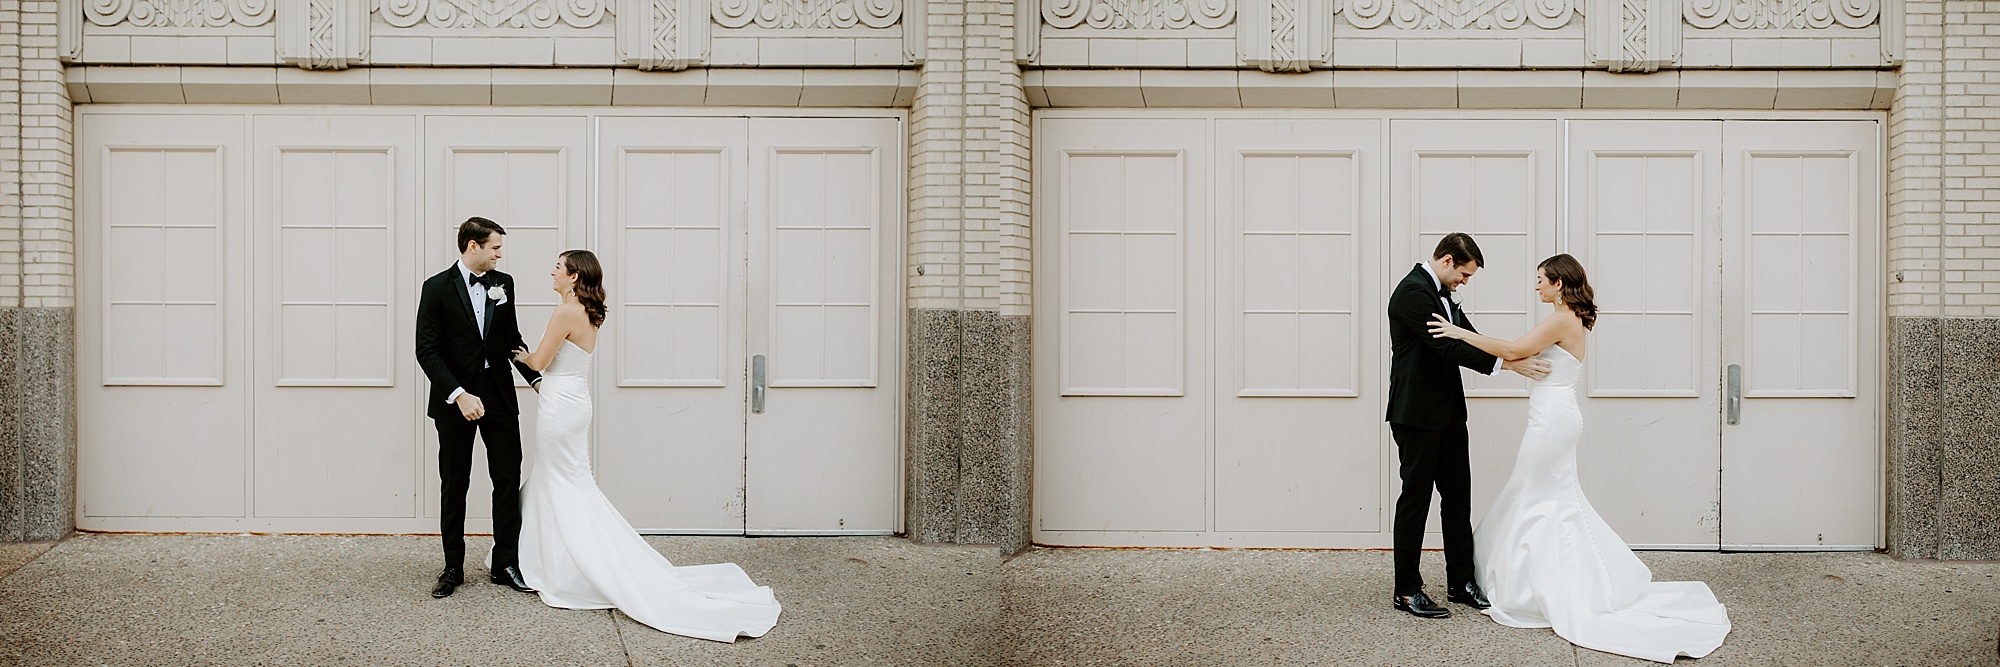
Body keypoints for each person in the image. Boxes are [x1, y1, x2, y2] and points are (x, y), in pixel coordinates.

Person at [1429, 253, 1731, 663]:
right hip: (1553, 415)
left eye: (1541, 279)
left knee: (1534, 496)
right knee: (1544, 497)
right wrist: (1509, 362)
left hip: (1552, 420)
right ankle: (1530, 580)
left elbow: (1514, 348)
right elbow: (1517, 357)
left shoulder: (1562, 318)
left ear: (1558, 283)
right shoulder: (1567, 317)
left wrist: (1458, 333)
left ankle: (1533, 588)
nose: (1536, 285)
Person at [510, 249, 782, 642]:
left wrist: (520, 354)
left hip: (559, 408)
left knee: (561, 481)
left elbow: (539, 362)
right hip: (572, 402)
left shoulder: (566, 312)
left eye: (557, 267)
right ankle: (549, 558)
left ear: (573, 277)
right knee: (563, 480)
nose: (551, 272)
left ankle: (570, 566)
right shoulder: (587, 312)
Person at [415, 216, 541, 598]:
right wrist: (459, 394)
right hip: (456, 402)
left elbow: (511, 338)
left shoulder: (504, 284)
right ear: (474, 246)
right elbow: (426, 350)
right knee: (455, 483)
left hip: (499, 395)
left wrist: (536, 380)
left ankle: (505, 564)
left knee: (507, 477)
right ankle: (452, 567)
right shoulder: (436, 288)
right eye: (495, 248)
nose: (500, 255)